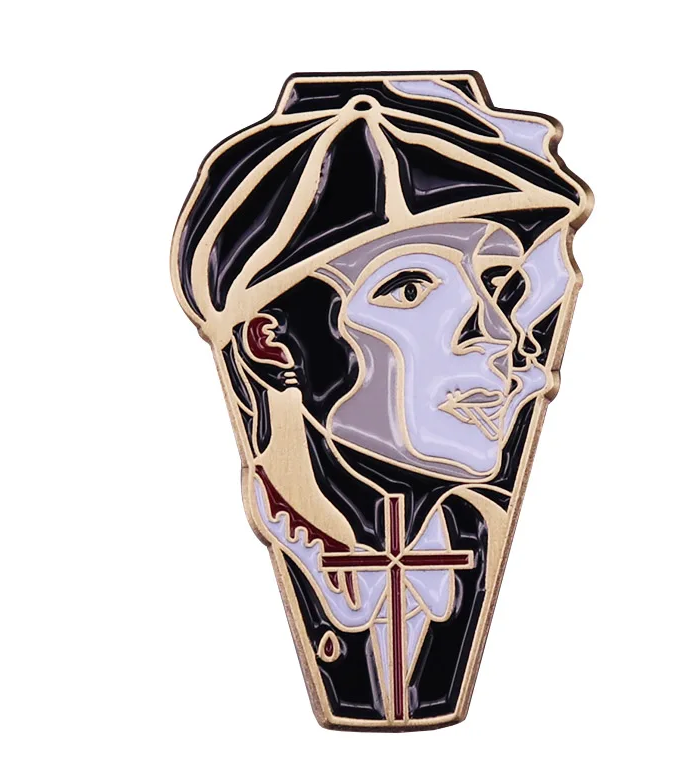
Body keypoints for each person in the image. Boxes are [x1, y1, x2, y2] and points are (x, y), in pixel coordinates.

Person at [172, 73, 591, 728]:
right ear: (270, 344)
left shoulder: (478, 539)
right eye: (410, 288)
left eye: (495, 284)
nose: (496, 333)